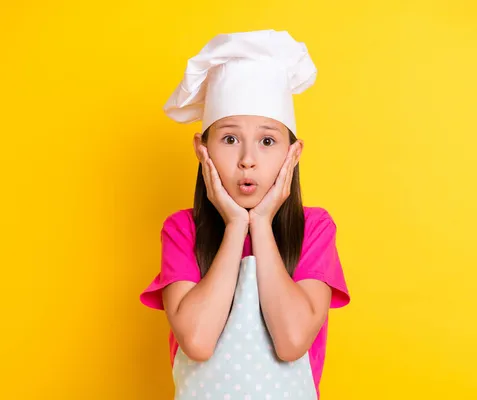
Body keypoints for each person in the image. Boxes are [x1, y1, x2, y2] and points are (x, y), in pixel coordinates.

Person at [140, 29, 350, 400]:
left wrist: (263, 225)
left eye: (267, 141)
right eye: (229, 139)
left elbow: (291, 342)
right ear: (201, 149)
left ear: (293, 153)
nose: (247, 160)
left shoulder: (314, 229)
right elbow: (198, 341)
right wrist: (237, 224)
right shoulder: (182, 230)